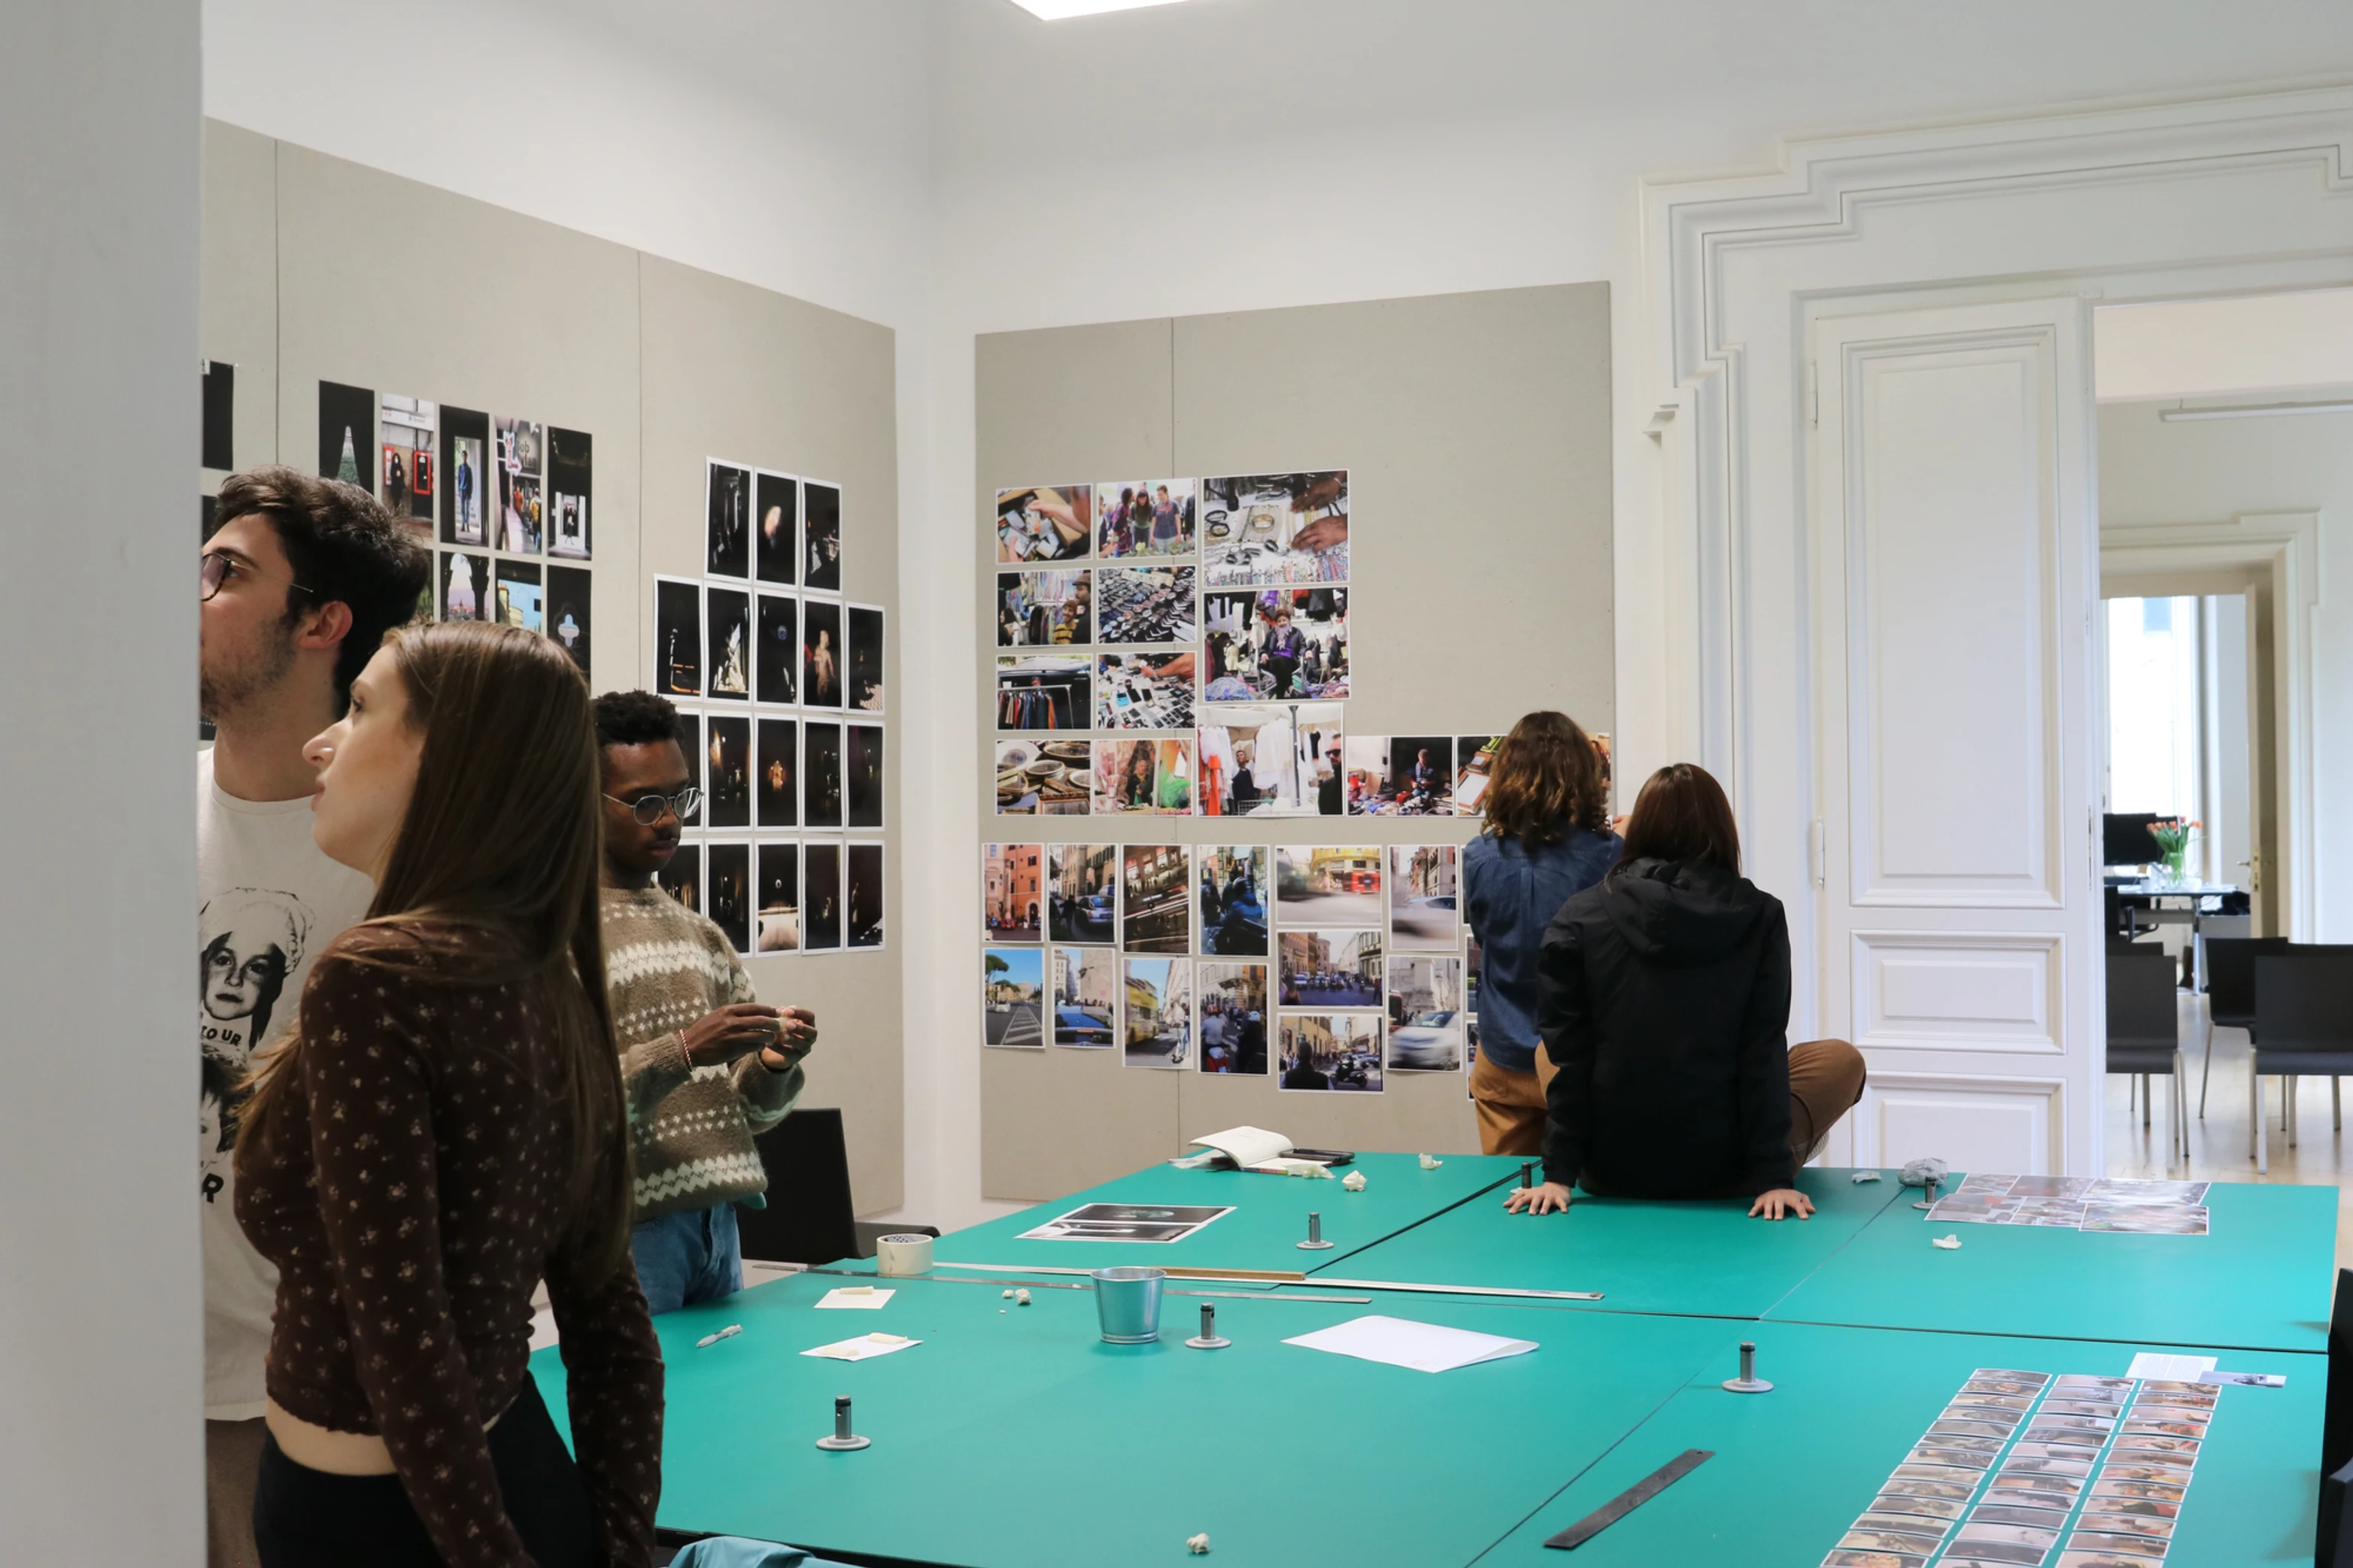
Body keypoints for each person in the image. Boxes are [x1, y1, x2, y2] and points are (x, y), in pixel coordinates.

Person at [232, 623, 663, 1567]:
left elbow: (406, 1342)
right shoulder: (545, 973)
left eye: (358, 709)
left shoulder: (375, 979)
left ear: (448, 755)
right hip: (498, 1490)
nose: (321, 741)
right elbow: (612, 1330)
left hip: (389, 1526)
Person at [197, 466, 430, 1568]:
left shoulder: (392, 853)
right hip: (98, 1362)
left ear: (322, 622)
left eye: (226, 573)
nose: (193, 593)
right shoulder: (119, 803)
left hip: (292, 1401)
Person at [1504, 763, 1866, 1222]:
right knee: (1839, 1057)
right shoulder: (1760, 914)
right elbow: (1761, 1049)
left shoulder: (1578, 914)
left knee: (1553, 1049)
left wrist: (1558, 1173)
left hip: (1609, 1169)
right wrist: (1774, 1178)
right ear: (1723, 829)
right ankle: (1789, 1152)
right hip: (1726, 1171)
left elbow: (1571, 1057)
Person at [594, 690, 819, 1312]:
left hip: (719, 1223)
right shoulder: (561, 937)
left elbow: (747, 1115)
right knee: (645, 1406)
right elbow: (564, 1109)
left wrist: (775, 1064)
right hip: (627, 1231)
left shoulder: (702, 936)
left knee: (724, 1403)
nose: (669, 819)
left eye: (680, 797)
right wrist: (686, 1049)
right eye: (644, 803)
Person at [1461, 712, 1621, 1158]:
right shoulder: (1609, 855)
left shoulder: (1478, 856)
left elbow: (1483, 934)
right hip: (1580, 1059)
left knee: (1507, 1195)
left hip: (1501, 1053)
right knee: (1587, 1199)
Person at [1260, 608, 1304, 698]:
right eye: (1279, 621)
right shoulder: (1271, 633)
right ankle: (1291, 688)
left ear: (1289, 621)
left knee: (1282, 667)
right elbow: (1264, 648)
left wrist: (1306, 652)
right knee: (1280, 659)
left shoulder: (1296, 632)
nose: (1282, 623)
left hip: (1291, 662)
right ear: (1276, 623)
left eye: (1284, 620)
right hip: (1272, 662)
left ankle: (1280, 697)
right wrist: (1263, 654)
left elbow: (1303, 646)